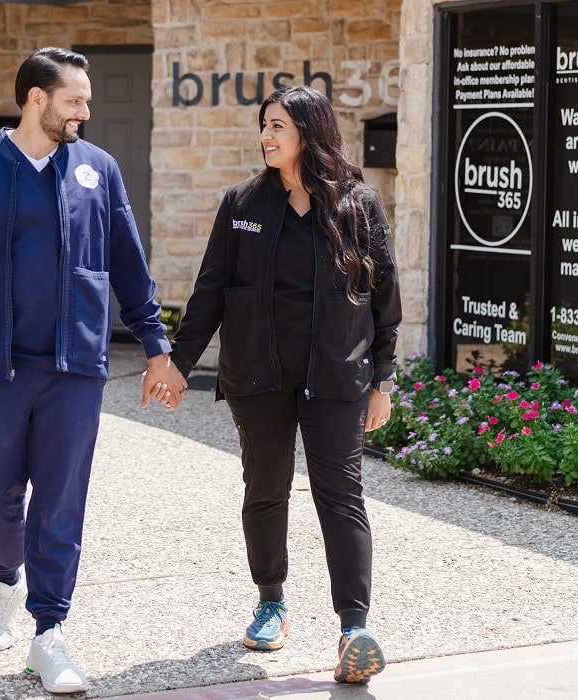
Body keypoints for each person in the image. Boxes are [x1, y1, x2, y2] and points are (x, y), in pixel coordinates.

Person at [0, 47, 185, 694]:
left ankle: (49, 632)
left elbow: (127, 260)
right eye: (74, 100)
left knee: (62, 502)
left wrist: (156, 346)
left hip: (75, 365)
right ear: (36, 99)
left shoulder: (98, 170)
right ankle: (5, 580)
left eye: (85, 101)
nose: (85, 112)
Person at [169, 85, 401, 685]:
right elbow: (211, 291)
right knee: (266, 488)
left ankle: (354, 626)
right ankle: (271, 600)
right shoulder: (243, 202)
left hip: (337, 379)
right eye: (264, 126)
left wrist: (384, 379)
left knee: (341, 495)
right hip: (259, 377)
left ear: (308, 131)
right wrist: (176, 361)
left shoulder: (357, 205)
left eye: (278, 126)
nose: (266, 137)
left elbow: (385, 302)